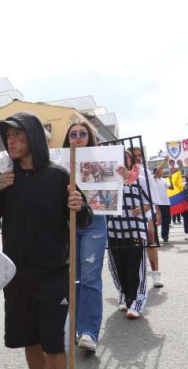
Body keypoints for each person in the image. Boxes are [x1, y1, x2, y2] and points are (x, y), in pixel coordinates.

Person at [0, 112, 85, 369]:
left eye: (18, 136)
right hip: (16, 276)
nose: (11, 142)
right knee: (30, 340)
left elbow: (83, 218)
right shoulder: (5, 177)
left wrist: (79, 206)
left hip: (53, 273)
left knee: (54, 343)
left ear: (34, 138)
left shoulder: (58, 176)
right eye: (7, 137)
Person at [62, 121, 108, 354]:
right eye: (73, 134)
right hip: (68, 224)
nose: (77, 137)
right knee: (74, 280)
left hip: (94, 223)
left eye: (82, 134)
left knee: (90, 277)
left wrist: (120, 176)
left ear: (90, 138)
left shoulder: (103, 161)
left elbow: (111, 193)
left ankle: (89, 331)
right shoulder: (59, 163)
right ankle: (77, 328)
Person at [107, 150, 152, 319]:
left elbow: (150, 201)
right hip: (114, 230)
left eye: (124, 156)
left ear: (129, 159)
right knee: (118, 267)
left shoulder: (140, 178)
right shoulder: (108, 179)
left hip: (135, 229)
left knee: (135, 267)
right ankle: (124, 295)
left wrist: (141, 209)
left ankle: (137, 301)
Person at [152, 165, 172, 244]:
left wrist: (171, 180)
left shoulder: (164, 180)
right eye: (161, 171)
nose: (162, 172)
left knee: (166, 221)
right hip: (156, 203)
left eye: (163, 171)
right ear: (156, 172)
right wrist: (164, 162)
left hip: (166, 203)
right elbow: (157, 171)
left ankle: (165, 237)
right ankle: (155, 238)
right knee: (155, 221)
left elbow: (171, 188)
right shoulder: (153, 179)